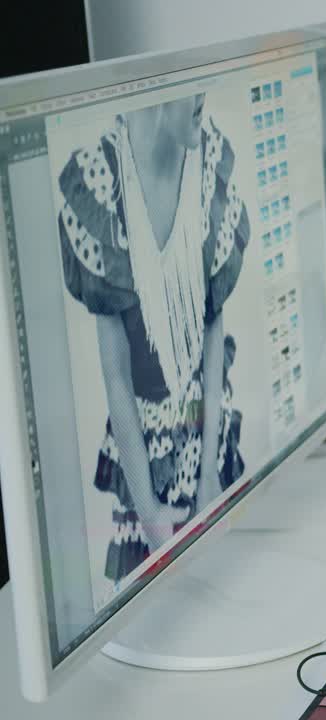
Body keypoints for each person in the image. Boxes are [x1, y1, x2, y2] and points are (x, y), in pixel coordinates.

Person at [55, 94, 248, 582]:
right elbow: (116, 378)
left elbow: (211, 337)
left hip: (206, 439)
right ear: (160, 100)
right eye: (190, 93)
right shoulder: (101, 185)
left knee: (219, 589)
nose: (202, 98)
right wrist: (150, 513)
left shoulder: (206, 171)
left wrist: (208, 478)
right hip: (145, 456)